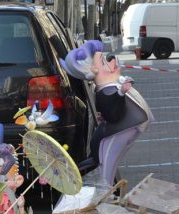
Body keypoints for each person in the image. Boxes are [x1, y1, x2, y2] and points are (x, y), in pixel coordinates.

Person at [60, 40, 153, 192]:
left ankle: (105, 193)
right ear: (93, 70)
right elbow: (113, 115)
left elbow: (109, 113)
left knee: (108, 168)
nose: (110, 60)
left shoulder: (108, 87)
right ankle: (104, 195)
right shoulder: (106, 92)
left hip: (120, 131)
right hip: (114, 135)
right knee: (106, 170)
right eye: (103, 61)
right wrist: (121, 93)